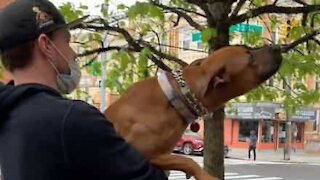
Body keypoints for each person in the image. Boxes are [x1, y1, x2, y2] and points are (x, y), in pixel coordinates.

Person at [0, 0, 167, 180]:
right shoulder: (72, 119)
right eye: (67, 41)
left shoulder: (8, 114)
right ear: (46, 45)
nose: (72, 54)